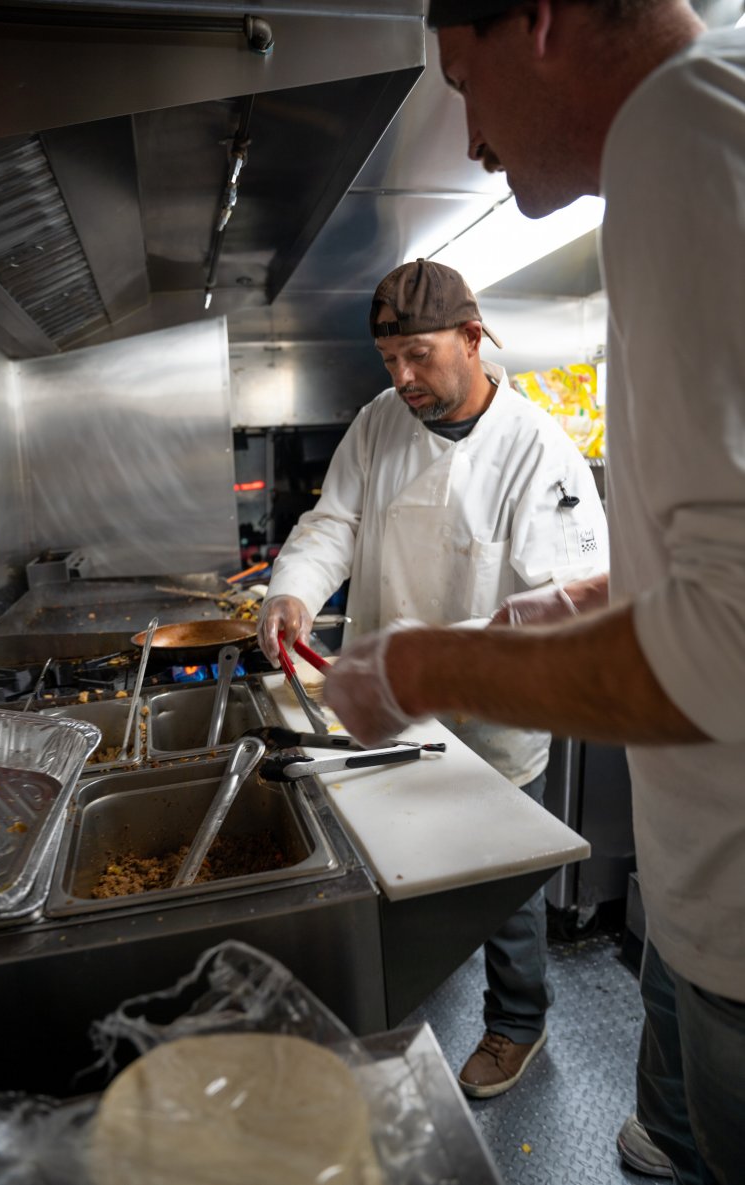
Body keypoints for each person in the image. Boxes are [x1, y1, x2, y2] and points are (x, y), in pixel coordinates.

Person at [322, 4, 745, 1185]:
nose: (467, 139)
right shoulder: (716, 119)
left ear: (543, 20)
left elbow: (727, 647)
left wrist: (419, 667)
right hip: (705, 884)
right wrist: (594, 599)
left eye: (462, 78)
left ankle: (520, 1030)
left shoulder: (682, 129)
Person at [257, 256, 609, 1099]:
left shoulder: (538, 450)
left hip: (495, 716)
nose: (403, 378)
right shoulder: (381, 421)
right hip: (390, 711)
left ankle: (517, 1022)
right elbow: (332, 522)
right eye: (390, 362)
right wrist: (292, 592)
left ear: (472, 338)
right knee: (400, 858)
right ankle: (418, 989)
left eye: (419, 358)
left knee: (502, 879)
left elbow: (568, 610)